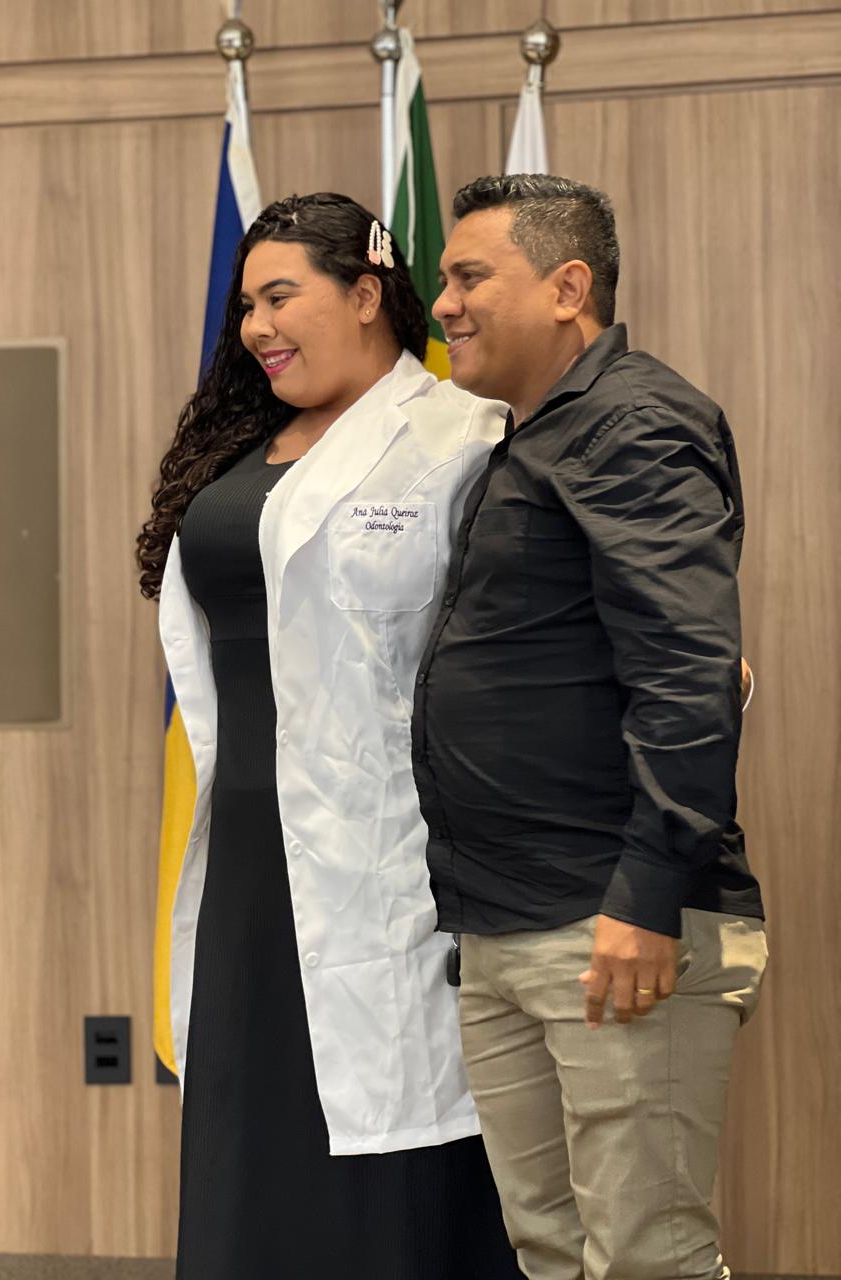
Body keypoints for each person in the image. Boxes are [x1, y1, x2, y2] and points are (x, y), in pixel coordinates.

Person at [136, 193, 519, 1279]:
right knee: (247, 1152)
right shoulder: (244, 445)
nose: (256, 327)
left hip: (390, 859)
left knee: (383, 1168)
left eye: (280, 296)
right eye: (245, 305)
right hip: (248, 860)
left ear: (364, 294)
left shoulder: (463, 437)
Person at [411, 172, 767, 1280]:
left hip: (611, 924)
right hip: (507, 923)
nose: (443, 305)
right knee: (551, 1253)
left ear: (568, 288)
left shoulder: (634, 423)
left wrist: (647, 898)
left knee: (648, 1261)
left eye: (470, 277)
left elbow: (690, 672)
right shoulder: (524, 441)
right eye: (444, 280)